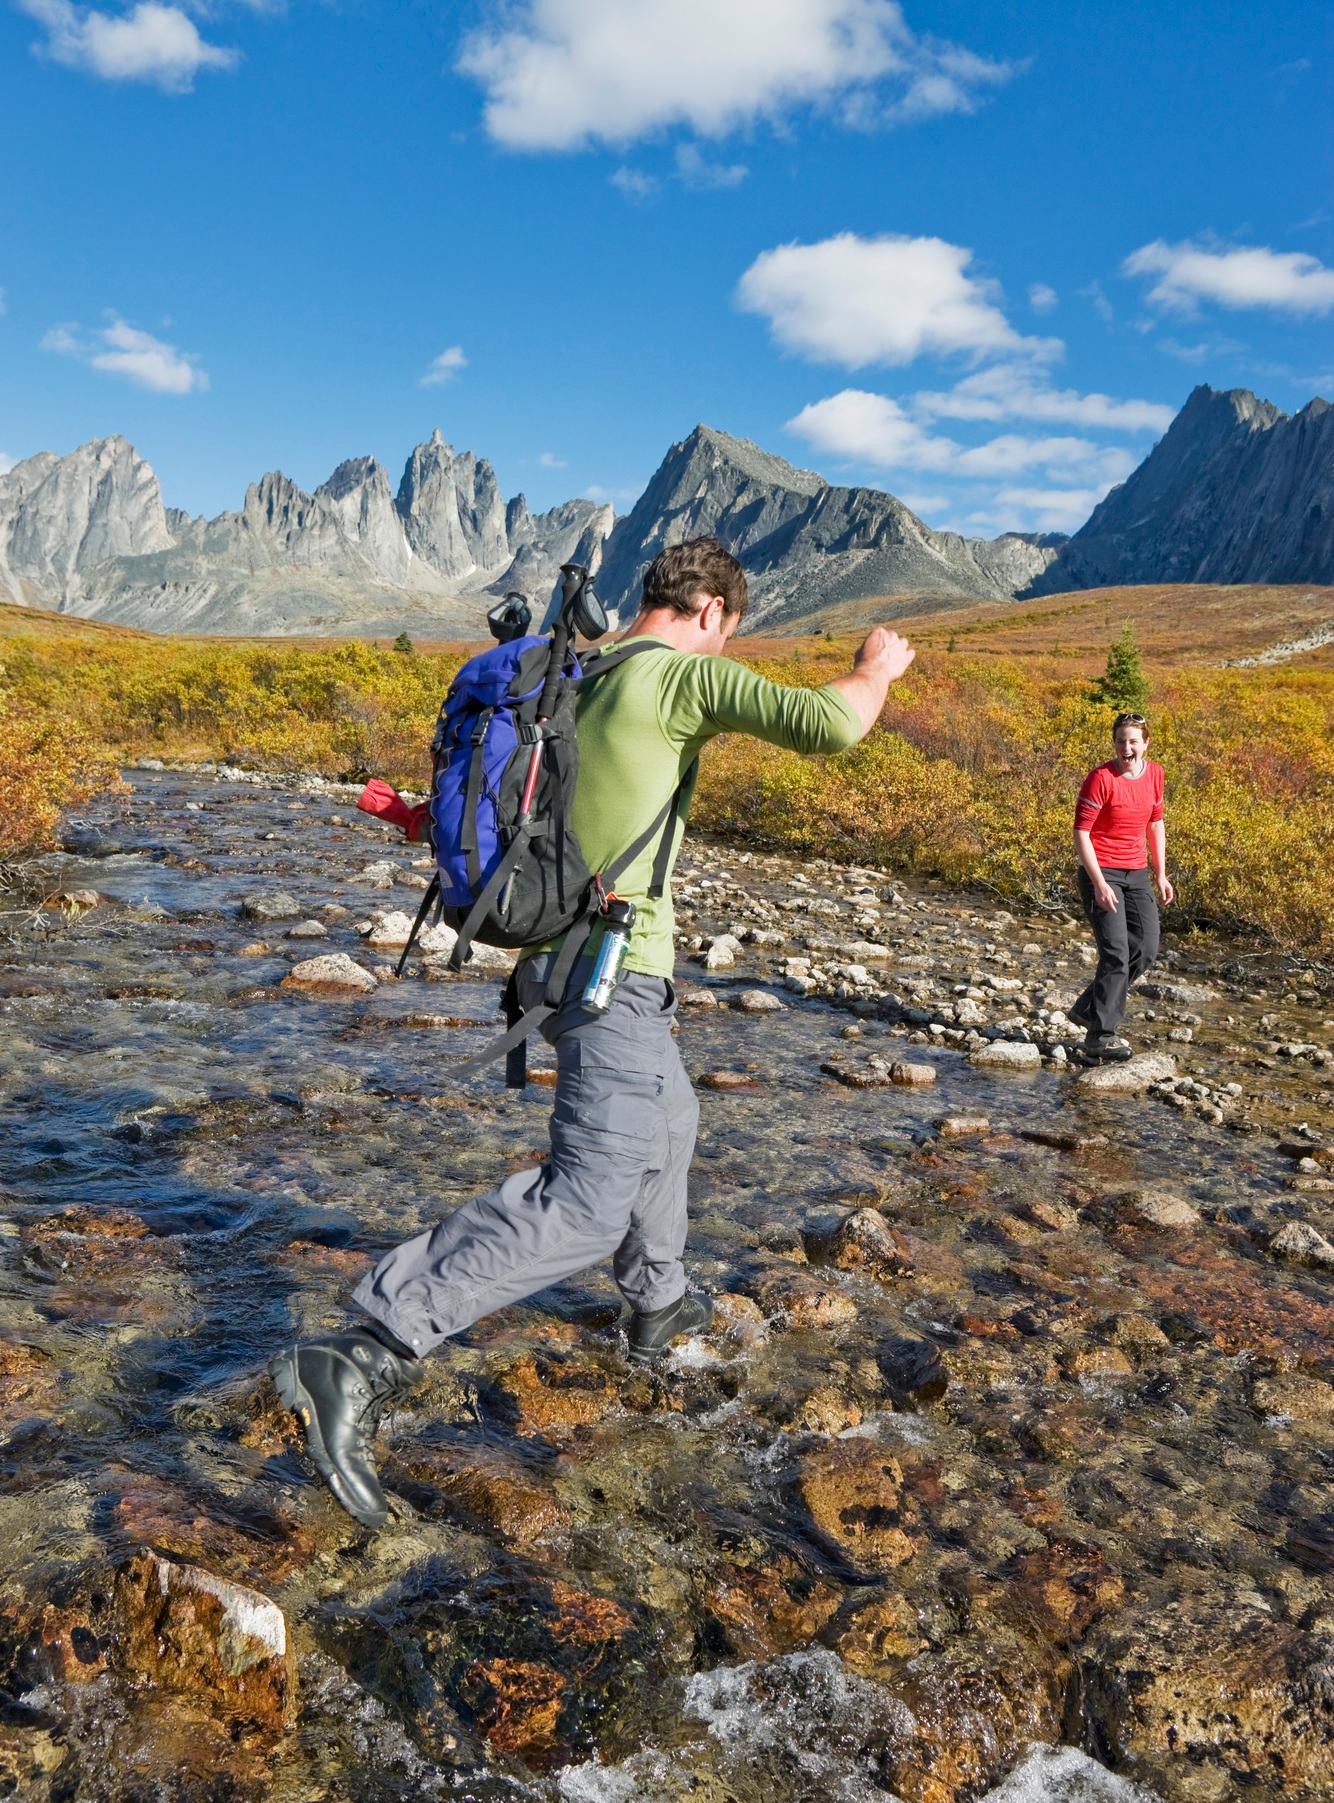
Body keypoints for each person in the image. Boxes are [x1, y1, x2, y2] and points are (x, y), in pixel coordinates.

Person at [268, 537, 914, 1529]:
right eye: (727, 631)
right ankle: (362, 1349)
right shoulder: (674, 676)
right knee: (588, 1195)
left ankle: (657, 1303)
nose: (722, 643)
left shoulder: (583, 668)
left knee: (670, 1123)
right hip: (608, 972)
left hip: (574, 962)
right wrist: (873, 668)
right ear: (709, 612)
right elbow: (830, 723)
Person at [1068, 711, 1173, 1063]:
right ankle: (1099, 1037)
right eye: (1120, 741)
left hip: (1137, 873)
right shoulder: (1101, 778)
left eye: (1132, 741)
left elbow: (1156, 823)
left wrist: (1161, 873)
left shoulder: (1155, 774)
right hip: (1102, 871)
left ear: (1146, 744)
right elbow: (1081, 832)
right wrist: (1098, 882)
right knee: (1115, 953)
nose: (1125, 748)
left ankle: (1087, 1008)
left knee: (1144, 949)